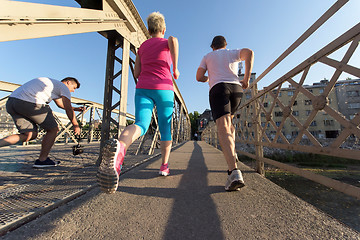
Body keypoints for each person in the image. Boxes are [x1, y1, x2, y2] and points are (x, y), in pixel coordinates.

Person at [97, 12, 180, 194]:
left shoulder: (142, 47)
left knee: (140, 124)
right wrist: (175, 69)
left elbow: (136, 73)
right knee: (166, 128)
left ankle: (119, 151)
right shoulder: (167, 41)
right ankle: (164, 166)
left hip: (143, 88)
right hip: (164, 88)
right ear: (163, 29)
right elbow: (174, 39)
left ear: (149, 29)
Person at [196, 35, 254, 191]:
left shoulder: (208, 56)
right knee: (230, 124)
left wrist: (210, 77)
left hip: (219, 88)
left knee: (223, 126)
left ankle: (233, 172)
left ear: (212, 47)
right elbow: (249, 52)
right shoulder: (232, 53)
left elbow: (198, 77)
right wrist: (247, 78)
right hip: (236, 89)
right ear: (225, 45)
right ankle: (232, 152)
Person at [0, 77, 82, 167]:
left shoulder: (53, 86)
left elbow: (60, 104)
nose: (73, 91)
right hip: (30, 102)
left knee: (29, 135)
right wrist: (75, 125)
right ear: (68, 82)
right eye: (74, 88)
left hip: (12, 102)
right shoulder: (63, 87)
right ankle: (42, 160)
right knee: (53, 130)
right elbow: (67, 107)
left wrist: (76, 109)